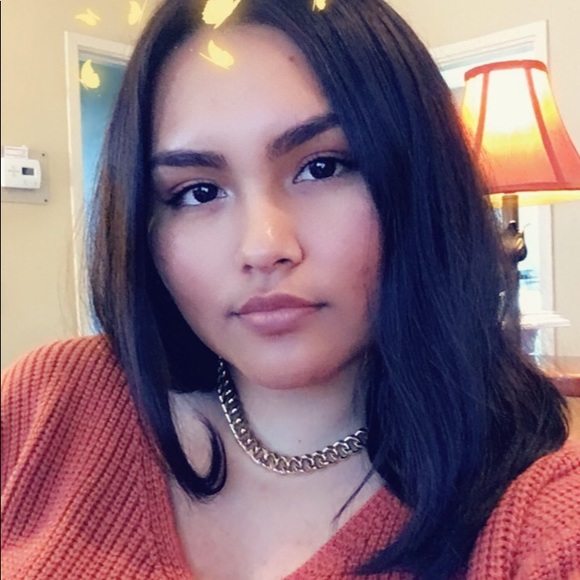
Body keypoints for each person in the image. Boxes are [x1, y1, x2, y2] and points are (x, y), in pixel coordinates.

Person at [2, 0, 579, 578]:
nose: (263, 246)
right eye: (198, 192)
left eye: (322, 167)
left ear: (420, 180)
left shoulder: (541, 518)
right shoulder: (53, 401)